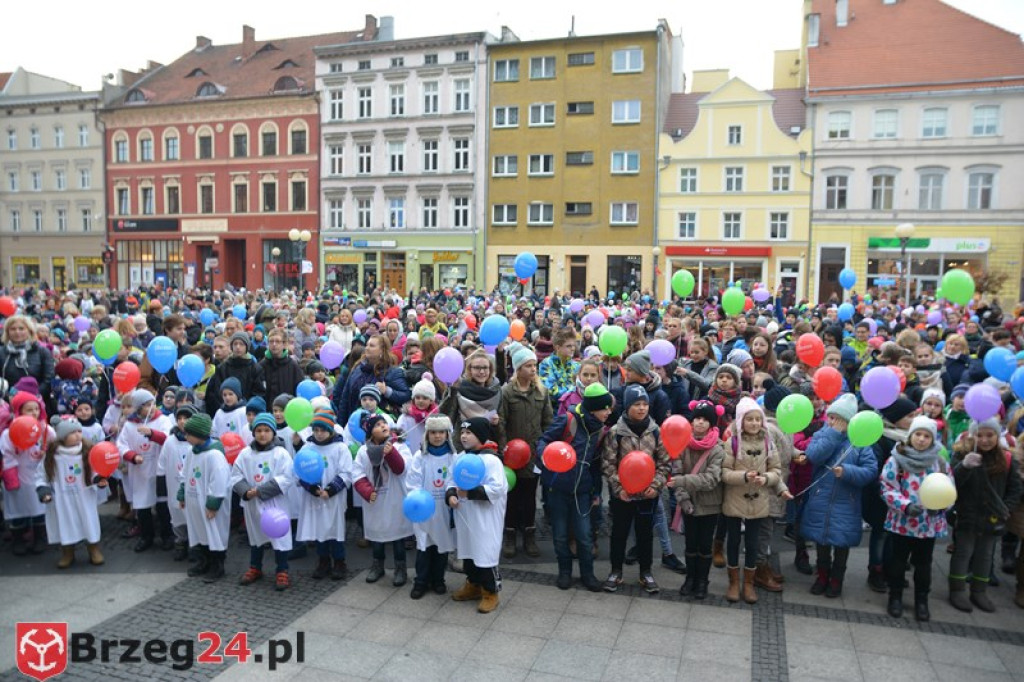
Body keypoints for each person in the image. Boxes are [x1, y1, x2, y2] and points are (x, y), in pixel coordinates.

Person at [803, 393, 877, 599]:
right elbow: (813, 455)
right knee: (822, 541)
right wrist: (834, 434)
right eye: (832, 417)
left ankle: (837, 579)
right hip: (821, 498)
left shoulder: (860, 442)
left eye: (839, 419)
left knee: (841, 542)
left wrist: (847, 472)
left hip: (847, 502)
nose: (834, 422)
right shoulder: (823, 435)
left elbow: (870, 470)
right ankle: (822, 575)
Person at [601, 385, 671, 594]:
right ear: (627, 406)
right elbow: (608, 463)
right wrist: (618, 487)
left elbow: (665, 463)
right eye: (636, 404)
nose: (641, 409)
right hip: (623, 495)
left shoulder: (656, 431)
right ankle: (615, 570)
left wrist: (656, 485)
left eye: (645, 404)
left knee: (645, 534)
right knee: (619, 533)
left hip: (647, 494)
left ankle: (646, 571)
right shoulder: (616, 433)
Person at [949, 418, 1022, 613]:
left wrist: (1005, 508)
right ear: (972, 435)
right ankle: (957, 589)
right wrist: (964, 466)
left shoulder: (1006, 458)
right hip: (968, 514)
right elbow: (952, 482)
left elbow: (1015, 488)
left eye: (990, 435)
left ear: (997, 436)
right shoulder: (963, 453)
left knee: (985, 555)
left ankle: (979, 590)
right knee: (963, 552)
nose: (984, 440)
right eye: (979, 435)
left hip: (993, 517)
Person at [720, 397, 789, 604]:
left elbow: (776, 469)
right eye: (749, 419)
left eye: (758, 419)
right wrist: (742, 476)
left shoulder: (768, 442)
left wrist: (766, 478)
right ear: (741, 420)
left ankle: (748, 583)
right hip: (734, 499)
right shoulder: (732, 441)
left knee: (752, 543)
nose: (754, 423)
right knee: (733, 542)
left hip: (759, 501)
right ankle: (733, 582)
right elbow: (724, 472)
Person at [881, 416, 949, 622]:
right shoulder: (896, 460)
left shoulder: (939, 462)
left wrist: (941, 506)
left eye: (926, 436)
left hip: (927, 525)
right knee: (898, 561)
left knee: (924, 564)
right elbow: (887, 487)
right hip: (902, 523)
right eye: (917, 434)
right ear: (910, 436)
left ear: (933, 439)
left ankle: (921, 600)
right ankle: (895, 597)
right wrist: (905, 505)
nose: (921, 439)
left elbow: (948, 487)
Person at [447, 417, 508, 614]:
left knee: (484, 552)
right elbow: (450, 479)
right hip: (465, 515)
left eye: (469, 433)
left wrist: (471, 493)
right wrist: (451, 495)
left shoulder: (491, 460)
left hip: (484, 517)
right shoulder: (459, 457)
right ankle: (472, 584)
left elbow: (498, 488)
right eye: (462, 432)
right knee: (468, 552)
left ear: (481, 436)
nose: (463, 436)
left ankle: (491, 592)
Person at [498, 342, 552, 559]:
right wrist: (504, 447)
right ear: (518, 369)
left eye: (534, 365)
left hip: (533, 454)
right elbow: (501, 422)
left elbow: (548, 421)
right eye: (528, 366)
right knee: (512, 495)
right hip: (512, 454)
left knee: (530, 496)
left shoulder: (542, 391)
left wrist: (544, 446)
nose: (533, 369)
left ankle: (529, 533)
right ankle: (510, 533)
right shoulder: (506, 392)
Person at [668, 399, 725, 599]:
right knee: (690, 545)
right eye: (697, 419)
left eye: (704, 419)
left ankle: (702, 580)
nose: (700, 423)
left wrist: (682, 481)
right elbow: (676, 472)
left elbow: (710, 480)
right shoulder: (683, 443)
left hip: (710, 505)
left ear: (712, 423)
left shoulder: (718, 448)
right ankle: (690, 578)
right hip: (688, 504)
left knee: (704, 545)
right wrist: (683, 499)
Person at [232, 413, 294, 591]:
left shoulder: (281, 453)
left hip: (275, 504)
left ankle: (282, 570)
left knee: (279, 536)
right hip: (252, 503)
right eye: (259, 430)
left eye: (267, 430)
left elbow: (287, 477)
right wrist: (245, 491)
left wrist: (262, 491)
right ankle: (255, 567)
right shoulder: (245, 454)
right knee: (255, 535)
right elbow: (236, 475)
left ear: (273, 432)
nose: (262, 434)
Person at [35, 417, 106, 568]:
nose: (77, 435)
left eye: (79, 431)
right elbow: (42, 476)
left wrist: (98, 479)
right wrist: (44, 491)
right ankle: (68, 552)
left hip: (83, 495)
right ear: (62, 436)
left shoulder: (87, 452)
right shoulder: (52, 456)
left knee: (88, 522)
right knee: (65, 523)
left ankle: (93, 549)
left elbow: (94, 471)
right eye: (72, 432)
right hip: (62, 498)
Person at [354, 413, 413, 586]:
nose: (383, 426)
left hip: (395, 498)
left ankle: (400, 567)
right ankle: (377, 564)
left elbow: (402, 469)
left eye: (383, 423)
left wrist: (391, 453)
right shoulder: (363, 451)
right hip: (376, 499)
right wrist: (366, 490)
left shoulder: (399, 446)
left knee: (397, 536)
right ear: (371, 432)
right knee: (377, 535)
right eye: (377, 425)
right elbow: (357, 473)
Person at [297, 408, 352, 581]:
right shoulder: (308, 447)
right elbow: (299, 470)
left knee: (334, 528)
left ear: (330, 430)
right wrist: (312, 488)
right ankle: (323, 561)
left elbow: (346, 473)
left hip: (333, 497)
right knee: (319, 528)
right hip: (315, 496)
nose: (319, 434)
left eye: (323, 430)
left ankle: (339, 561)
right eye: (316, 430)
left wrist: (331, 489)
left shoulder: (340, 448)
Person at [406, 415, 458, 599]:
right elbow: (413, 481)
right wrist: (419, 499)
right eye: (433, 432)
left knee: (441, 547)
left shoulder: (453, 456)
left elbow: (453, 479)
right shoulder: (421, 456)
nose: (437, 436)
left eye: (441, 432)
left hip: (444, 509)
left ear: (447, 434)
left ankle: (438, 579)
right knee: (424, 546)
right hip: (424, 510)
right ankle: (421, 581)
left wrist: (451, 494)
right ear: (427, 434)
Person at [117, 389, 172, 553]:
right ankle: (146, 536)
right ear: (138, 408)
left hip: (158, 469)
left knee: (163, 504)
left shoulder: (162, 420)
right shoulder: (129, 425)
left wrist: (152, 434)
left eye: (153, 404)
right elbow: (121, 445)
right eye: (147, 405)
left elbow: (169, 439)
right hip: (140, 470)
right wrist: (132, 456)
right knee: (142, 506)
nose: (151, 408)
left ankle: (167, 536)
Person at [178, 412, 231, 582]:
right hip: (194, 502)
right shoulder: (192, 452)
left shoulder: (214, 455)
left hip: (208, 505)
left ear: (199, 434)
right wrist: (182, 493)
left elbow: (219, 480)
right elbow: (184, 474)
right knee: (200, 532)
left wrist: (213, 503)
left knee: (213, 532)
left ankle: (217, 565)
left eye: (189, 434)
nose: (185, 437)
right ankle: (204, 560)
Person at [159, 403, 198, 561]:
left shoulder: (196, 441)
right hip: (174, 486)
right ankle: (181, 542)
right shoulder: (170, 441)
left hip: (193, 487)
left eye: (186, 418)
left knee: (193, 516)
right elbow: (161, 465)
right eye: (179, 418)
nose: (182, 422)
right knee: (177, 516)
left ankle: (195, 545)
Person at [0, 314, 56, 414]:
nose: (17, 332)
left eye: (21, 328)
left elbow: (49, 379)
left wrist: (31, 398)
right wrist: (9, 397)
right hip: (7, 405)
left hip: (36, 406)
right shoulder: (2, 352)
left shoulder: (42, 352)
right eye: (13, 329)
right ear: (7, 332)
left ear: (29, 331)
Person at [205, 332, 265, 416]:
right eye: (235, 344)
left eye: (241, 344)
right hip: (226, 412)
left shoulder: (255, 368)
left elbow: (258, 392)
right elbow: (217, 392)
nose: (238, 347)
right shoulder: (222, 367)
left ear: (247, 347)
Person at [260, 329, 304, 403]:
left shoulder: (293, 366)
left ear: (284, 344)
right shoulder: (261, 366)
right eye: (271, 341)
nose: (274, 344)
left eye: (277, 341)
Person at [538, 328, 579, 406]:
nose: (573, 348)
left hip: (575, 411)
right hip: (555, 411)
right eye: (568, 346)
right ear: (558, 348)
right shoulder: (546, 364)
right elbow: (552, 391)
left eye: (573, 345)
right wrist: (574, 394)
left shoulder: (577, 365)